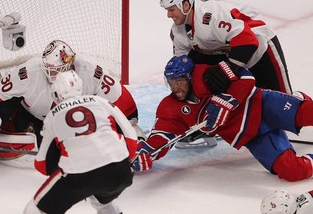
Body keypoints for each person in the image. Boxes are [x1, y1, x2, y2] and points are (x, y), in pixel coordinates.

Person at [132, 54, 313, 183]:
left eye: (179, 82)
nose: (176, 88)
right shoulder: (170, 108)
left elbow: (246, 76)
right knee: (291, 171)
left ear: (190, 78)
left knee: (308, 113)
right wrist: (147, 152)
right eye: (171, 83)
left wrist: (224, 101)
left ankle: (298, 99)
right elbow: (162, 136)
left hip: (262, 104)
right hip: (252, 135)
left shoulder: (206, 75)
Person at [0, 40, 141, 160]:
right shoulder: (28, 73)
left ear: (72, 63)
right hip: (35, 116)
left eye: (60, 69)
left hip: (73, 124)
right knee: (9, 122)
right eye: (50, 70)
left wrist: (132, 129)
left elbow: (126, 105)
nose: (54, 74)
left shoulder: (92, 71)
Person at [23, 70, 137, 214]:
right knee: (102, 203)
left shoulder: (52, 115)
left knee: (35, 209)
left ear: (56, 93)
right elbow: (132, 139)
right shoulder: (102, 102)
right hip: (121, 172)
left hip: (80, 176)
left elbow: (42, 165)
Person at [160, 0, 292, 95]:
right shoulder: (177, 32)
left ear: (185, 5)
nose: (168, 15)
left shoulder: (211, 16)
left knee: (283, 100)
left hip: (259, 45)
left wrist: (225, 70)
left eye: (171, 10)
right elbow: (184, 65)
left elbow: (248, 41)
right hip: (227, 49)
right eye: (167, 10)